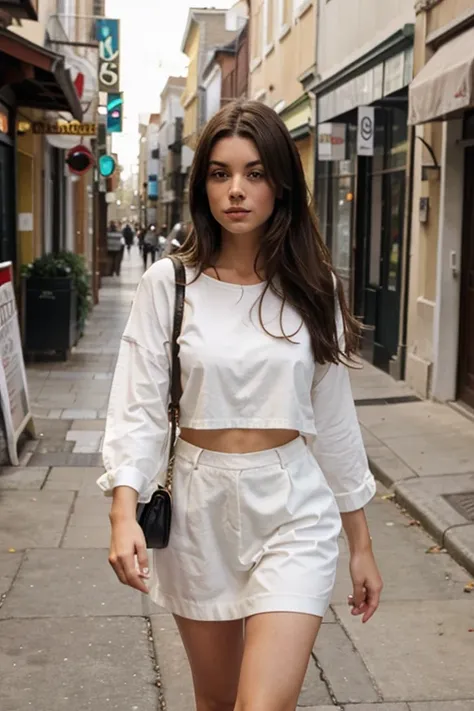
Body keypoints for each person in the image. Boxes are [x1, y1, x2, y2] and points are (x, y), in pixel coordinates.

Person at [98, 100, 383, 711]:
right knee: (217, 703)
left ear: (280, 183)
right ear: (203, 185)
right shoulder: (169, 285)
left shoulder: (314, 287)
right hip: (198, 508)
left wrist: (359, 543)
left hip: (293, 508)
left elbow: (333, 420)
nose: (236, 190)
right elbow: (139, 407)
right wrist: (124, 510)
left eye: (254, 173)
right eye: (221, 173)